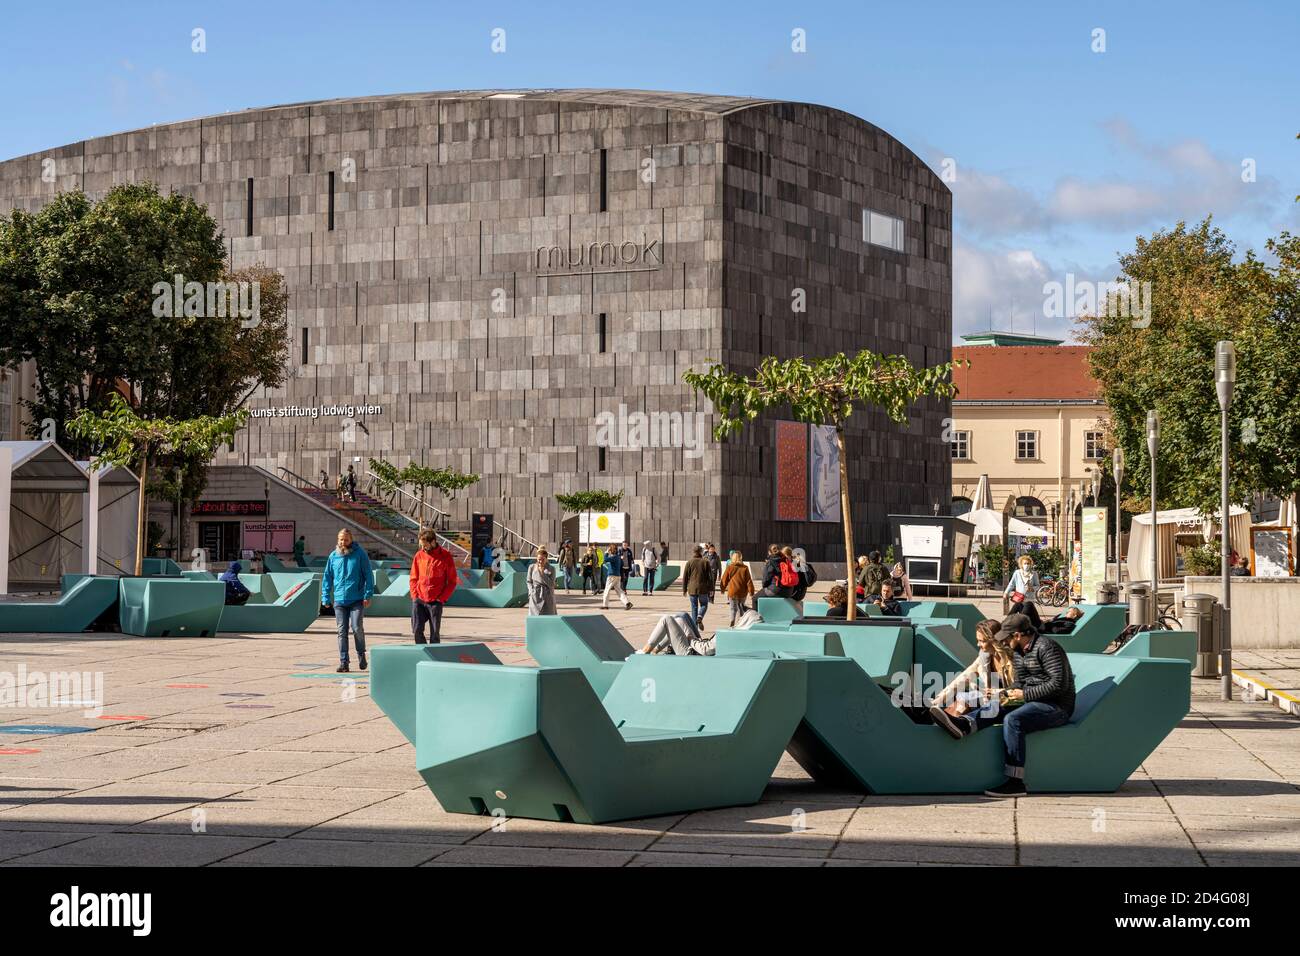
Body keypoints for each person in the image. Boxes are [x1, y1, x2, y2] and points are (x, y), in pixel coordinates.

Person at [930, 612, 1076, 797]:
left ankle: (1015, 782)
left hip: (1057, 706)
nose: (1004, 643)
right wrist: (1008, 693)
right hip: (1032, 700)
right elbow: (1019, 682)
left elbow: (1058, 684)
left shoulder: (1047, 648)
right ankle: (964, 725)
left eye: (1006, 638)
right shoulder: (1018, 652)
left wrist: (1025, 694)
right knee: (996, 706)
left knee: (1013, 719)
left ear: (1018, 635)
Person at [929, 619, 1015, 716]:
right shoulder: (984, 656)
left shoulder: (1012, 659)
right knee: (962, 697)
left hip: (1009, 702)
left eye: (982, 641)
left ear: (993, 641)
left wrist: (998, 692)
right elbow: (965, 677)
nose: (978, 644)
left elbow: (1020, 688)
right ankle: (941, 721)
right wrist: (942, 697)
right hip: (991, 698)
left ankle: (949, 724)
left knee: (970, 699)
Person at [322, 529, 374, 673]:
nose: (342, 542)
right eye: (340, 539)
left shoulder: (360, 554)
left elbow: (368, 575)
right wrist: (325, 597)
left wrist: (368, 594)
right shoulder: (333, 556)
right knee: (341, 631)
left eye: (345, 539)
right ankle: (344, 662)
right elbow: (327, 578)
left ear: (351, 540)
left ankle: (361, 654)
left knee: (357, 628)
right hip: (339, 600)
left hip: (357, 599)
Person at [409, 528, 457, 644]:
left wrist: (441, 599)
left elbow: (452, 581)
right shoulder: (419, 556)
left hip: (436, 601)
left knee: (435, 634)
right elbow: (413, 578)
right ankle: (423, 653)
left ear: (433, 541)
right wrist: (415, 596)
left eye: (425, 545)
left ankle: (434, 659)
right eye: (422, 545)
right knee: (416, 630)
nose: (423, 548)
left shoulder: (446, 556)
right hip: (419, 599)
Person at [719, 550, 755, 626]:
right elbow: (749, 581)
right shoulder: (745, 568)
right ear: (740, 558)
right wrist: (751, 592)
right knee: (741, 607)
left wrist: (722, 588)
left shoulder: (730, 567)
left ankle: (732, 621)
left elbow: (724, 579)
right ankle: (740, 622)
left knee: (733, 608)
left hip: (732, 591)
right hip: (742, 592)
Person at [682, 545, 714, 627]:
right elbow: (710, 577)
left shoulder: (689, 562)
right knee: (704, 604)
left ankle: (695, 628)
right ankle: (700, 616)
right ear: (701, 552)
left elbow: (685, 576)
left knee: (694, 608)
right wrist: (711, 589)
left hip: (692, 589)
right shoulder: (705, 562)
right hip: (703, 588)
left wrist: (684, 589)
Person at [601, 545, 633, 610]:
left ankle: (605, 605)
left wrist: (606, 553)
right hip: (618, 575)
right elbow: (621, 564)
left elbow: (605, 559)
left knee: (607, 590)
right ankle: (627, 603)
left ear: (611, 551)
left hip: (612, 576)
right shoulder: (618, 557)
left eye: (610, 550)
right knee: (619, 590)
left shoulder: (614, 557)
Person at [528, 548, 558, 615]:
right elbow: (529, 581)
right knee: (535, 616)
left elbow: (551, 584)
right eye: (539, 559)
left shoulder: (552, 569)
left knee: (548, 616)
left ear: (546, 559)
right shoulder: (532, 567)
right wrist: (531, 592)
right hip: (535, 595)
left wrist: (542, 573)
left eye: (542, 560)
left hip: (547, 595)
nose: (540, 561)